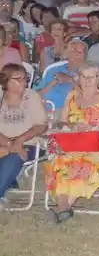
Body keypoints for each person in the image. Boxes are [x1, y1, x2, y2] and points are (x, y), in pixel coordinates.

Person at [44, 62, 99, 223]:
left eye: (92, 77)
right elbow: (62, 122)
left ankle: (61, 210)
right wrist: (72, 126)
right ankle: (63, 209)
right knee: (60, 160)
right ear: (78, 78)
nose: (88, 80)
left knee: (81, 164)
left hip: (95, 146)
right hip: (71, 142)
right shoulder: (72, 96)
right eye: (84, 76)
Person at [0, 64, 49, 207]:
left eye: (25, 78)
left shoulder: (31, 96)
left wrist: (19, 141)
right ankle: (10, 179)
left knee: (13, 158)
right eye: (18, 79)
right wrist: (9, 144)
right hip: (4, 144)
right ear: (5, 81)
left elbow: (41, 125)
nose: (25, 82)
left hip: (29, 144)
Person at [36, 39, 88, 110]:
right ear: (68, 53)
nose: (79, 54)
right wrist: (54, 81)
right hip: (43, 109)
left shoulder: (87, 73)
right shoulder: (53, 69)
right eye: (75, 50)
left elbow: (86, 99)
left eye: (82, 52)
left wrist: (71, 80)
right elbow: (37, 95)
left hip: (67, 112)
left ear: (85, 56)